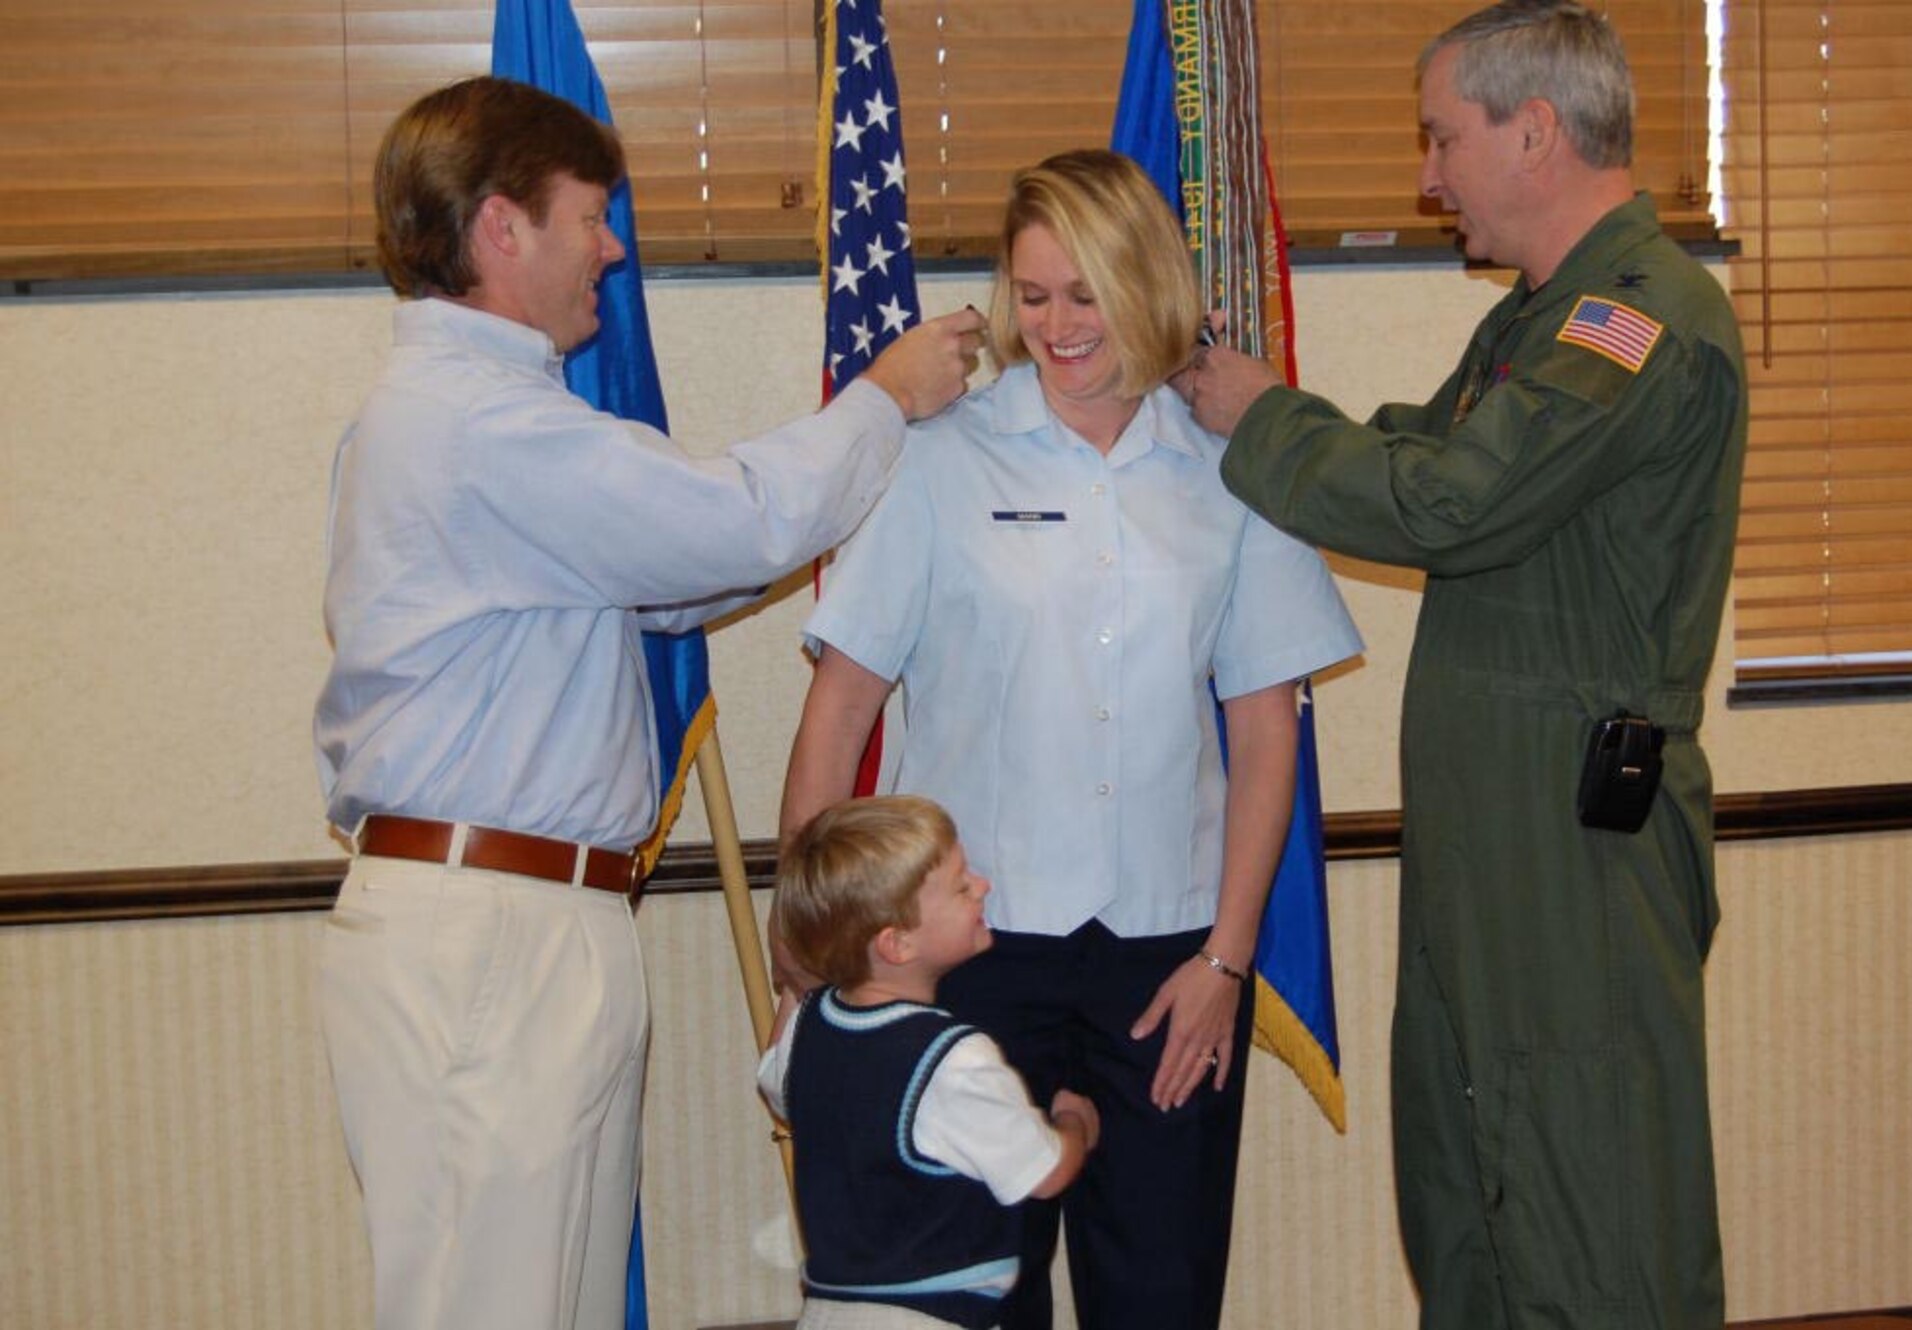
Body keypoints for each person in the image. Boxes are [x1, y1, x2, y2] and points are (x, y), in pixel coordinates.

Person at [313, 75, 985, 1330]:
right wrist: (884, 397)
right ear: (502, 227)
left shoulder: (482, 419)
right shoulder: (480, 425)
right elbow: (730, 525)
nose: (609, 251)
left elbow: (674, 582)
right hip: (489, 932)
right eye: (589, 217)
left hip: (519, 920)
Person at [1174, 3, 1746, 1327]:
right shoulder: (1537, 323)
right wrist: (1253, 412)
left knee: (1589, 1199)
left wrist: (1262, 420)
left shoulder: (1634, 323)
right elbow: (1415, 452)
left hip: (1575, 837)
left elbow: (1447, 503)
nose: (1427, 177)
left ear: (1533, 132)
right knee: (1470, 1176)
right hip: (1497, 823)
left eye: (1441, 138)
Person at [779, 148, 1363, 1330]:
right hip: (967, 953)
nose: (1055, 326)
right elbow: (839, 706)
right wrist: (809, 931)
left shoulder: (1229, 466)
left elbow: (1263, 733)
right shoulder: (940, 457)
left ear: (1145, 283)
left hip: (1169, 960)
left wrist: (1226, 961)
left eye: (1084, 294)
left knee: (1160, 1292)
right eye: (1033, 294)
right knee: (971, 1297)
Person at [760, 795, 1101, 1330]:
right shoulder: (954, 1059)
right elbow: (1045, 1173)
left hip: (827, 1312)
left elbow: (779, 1087)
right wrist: (1075, 1123)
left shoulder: (809, 1026)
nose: (983, 886)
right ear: (896, 944)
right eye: (962, 886)